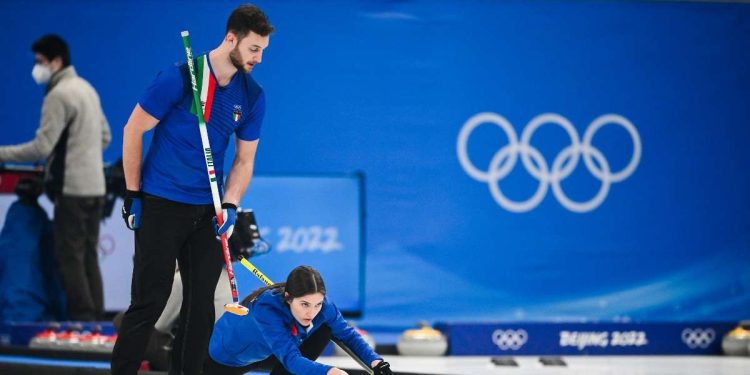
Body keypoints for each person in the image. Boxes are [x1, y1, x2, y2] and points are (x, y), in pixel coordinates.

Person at [111, 4, 273, 375]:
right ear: (231, 38)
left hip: (208, 212)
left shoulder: (252, 95)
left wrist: (231, 204)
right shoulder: (180, 78)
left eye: (263, 50)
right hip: (162, 203)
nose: (259, 58)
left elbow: (244, 160)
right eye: (253, 48)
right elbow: (133, 130)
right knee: (149, 302)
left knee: (201, 307)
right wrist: (133, 192)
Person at [0, 34, 111, 322]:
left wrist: (2, 153)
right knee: (87, 257)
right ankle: (96, 322)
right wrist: (82, 156)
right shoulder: (87, 89)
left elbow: (41, 147)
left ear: (56, 61)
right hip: (95, 187)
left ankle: (81, 323)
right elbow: (105, 137)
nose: (36, 69)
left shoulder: (59, 94)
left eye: (40, 62)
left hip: (72, 190)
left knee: (69, 260)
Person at [204, 265, 393, 375]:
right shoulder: (267, 310)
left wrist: (376, 362)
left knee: (325, 328)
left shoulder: (324, 307)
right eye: (304, 304)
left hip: (270, 352)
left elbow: (348, 335)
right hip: (225, 358)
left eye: (317, 304)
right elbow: (291, 359)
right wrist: (329, 372)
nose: (311, 312)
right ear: (288, 298)